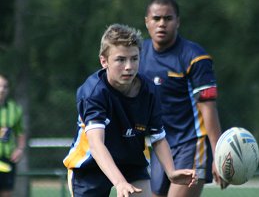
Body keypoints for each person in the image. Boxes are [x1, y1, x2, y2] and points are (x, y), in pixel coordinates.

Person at [63, 23, 197, 197]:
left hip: (131, 164)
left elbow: (158, 137)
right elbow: (96, 145)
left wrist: (171, 172)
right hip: (90, 167)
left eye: (134, 59)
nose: (129, 66)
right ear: (104, 61)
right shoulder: (93, 92)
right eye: (120, 59)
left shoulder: (149, 90)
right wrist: (119, 183)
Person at [139, 0, 228, 196]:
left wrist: (219, 154)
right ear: (147, 21)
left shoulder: (195, 57)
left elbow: (208, 108)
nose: (162, 23)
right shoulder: (138, 54)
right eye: (156, 18)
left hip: (192, 143)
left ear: (177, 21)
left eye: (168, 18)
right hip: (160, 145)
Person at [0, 74, 26, 197]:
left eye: (4, 87)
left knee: (6, 192)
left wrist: (20, 149)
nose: (1, 90)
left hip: (6, 159)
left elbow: (20, 132)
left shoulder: (14, 109)